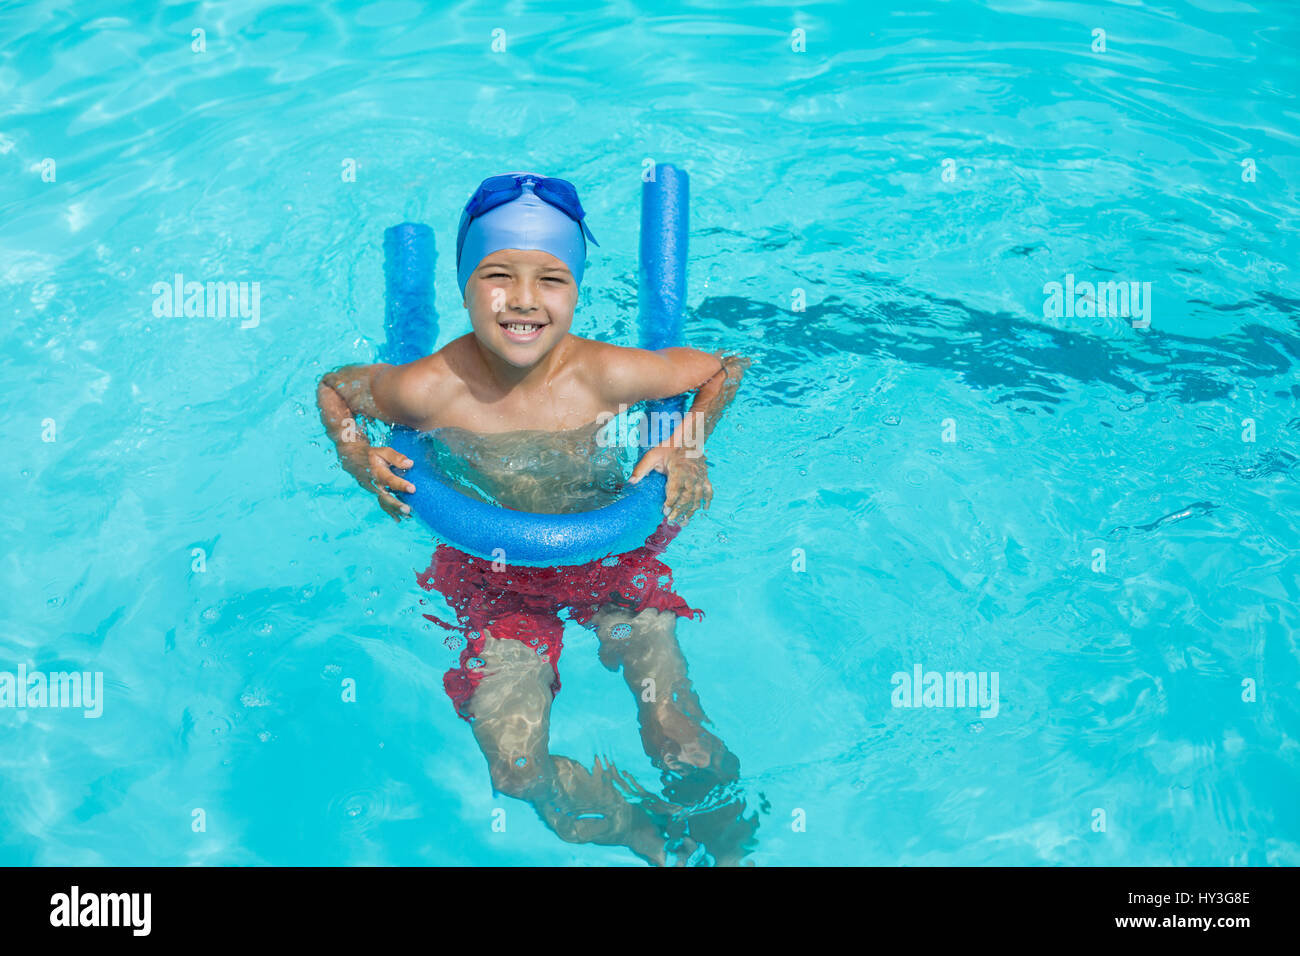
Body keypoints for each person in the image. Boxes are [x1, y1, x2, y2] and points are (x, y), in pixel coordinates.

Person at [317, 172, 756, 865]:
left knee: (676, 736)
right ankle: (637, 831)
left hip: (610, 559)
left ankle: (725, 840)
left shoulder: (604, 375)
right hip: (494, 581)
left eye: (550, 279)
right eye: (497, 275)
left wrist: (688, 444)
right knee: (516, 769)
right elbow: (335, 389)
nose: (523, 300)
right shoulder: (429, 387)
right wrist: (356, 455)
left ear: (577, 289)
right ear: (466, 286)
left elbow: (724, 368)